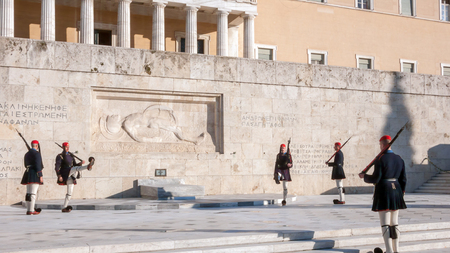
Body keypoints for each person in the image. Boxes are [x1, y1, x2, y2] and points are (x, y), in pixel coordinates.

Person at [359, 135, 407, 253]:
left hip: (384, 191)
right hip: (397, 190)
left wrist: (364, 176)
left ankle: (389, 250)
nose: (379, 147)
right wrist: (402, 193)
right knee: (394, 223)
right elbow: (403, 179)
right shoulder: (399, 158)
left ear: (383, 145)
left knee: (385, 223)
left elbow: (376, 178)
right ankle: (396, 250)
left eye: (380, 145)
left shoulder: (380, 159)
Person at [55, 142, 95, 213]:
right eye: (66, 147)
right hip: (65, 173)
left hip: (72, 174)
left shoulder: (71, 155)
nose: (67, 148)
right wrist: (59, 175)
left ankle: (64, 207)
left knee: (69, 193)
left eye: (68, 147)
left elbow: (75, 165)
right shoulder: (60, 156)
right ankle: (87, 167)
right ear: (63, 147)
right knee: (76, 168)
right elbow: (57, 167)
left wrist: (80, 163)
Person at [20, 140, 43, 215]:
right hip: (34, 173)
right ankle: (31, 210)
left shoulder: (26, 154)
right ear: (37, 146)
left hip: (28, 173)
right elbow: (38, 165)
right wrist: (40, 175)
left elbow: (25, 164)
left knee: (28, 193)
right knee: (33, 193)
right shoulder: (37, 154)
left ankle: (28, 209)